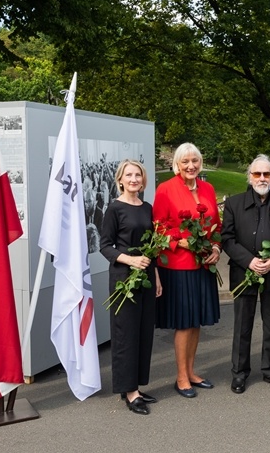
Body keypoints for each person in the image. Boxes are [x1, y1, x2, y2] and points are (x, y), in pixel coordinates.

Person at [222, 155, 270, 394]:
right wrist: (250, 261)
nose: (262, 178)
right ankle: (239, 373)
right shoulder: (234, 203)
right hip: (244, 273)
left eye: (266, 174)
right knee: (242, 325)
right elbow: (227, 239)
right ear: (249, 176)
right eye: (257, 174)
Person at [153, 143, 221, 398]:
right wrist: (178, 241)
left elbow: (215, 224)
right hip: (179, 265)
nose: (191, 166)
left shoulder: (208, 188)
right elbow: (158, 226)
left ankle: (192, 371)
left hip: (203, 264)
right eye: (185, 162)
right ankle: (181, 376)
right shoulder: (165, 189)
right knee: (184, 323)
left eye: (195, 161)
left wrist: (215, 247)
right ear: (177, 165)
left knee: (196, 322)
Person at [100, 159, 161, 415]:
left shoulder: (147, 208)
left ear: (143, 180)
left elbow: (152, 246)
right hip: (124, 278)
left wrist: (155, 276)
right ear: (120, 180)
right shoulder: (114, 208)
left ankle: (136, 384)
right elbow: (105, 246)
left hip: (146, 277)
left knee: (143, 333)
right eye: (129, 175)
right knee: (126, 335)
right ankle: (129, 391)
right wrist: (130, 260)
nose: (134, 179)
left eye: (138, 175)